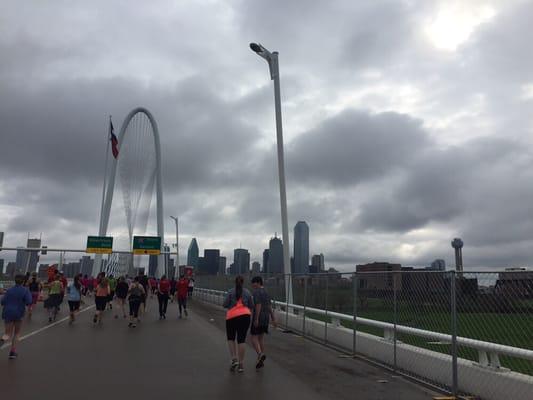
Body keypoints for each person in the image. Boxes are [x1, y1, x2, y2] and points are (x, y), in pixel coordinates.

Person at [223, 276, 253, 373]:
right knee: (241, 340)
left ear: (234, 282)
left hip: (232, 316)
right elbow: (251, 305)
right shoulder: (248, 292)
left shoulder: (230, 291)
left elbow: (225, 304)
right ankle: (241, 364)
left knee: (231, 338)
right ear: (243, 282)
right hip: (245, 316)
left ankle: (234, 359)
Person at [1, 275, 32, 359]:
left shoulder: (9, 290)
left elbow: (2, 301)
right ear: (23, 282)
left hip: (7, 312)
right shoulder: (25, 290)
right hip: (18, 313)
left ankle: (2, 340)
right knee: (17, 333)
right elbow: (29, 301)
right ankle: (12, 352)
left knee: (7, 334)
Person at [250, 276, 277, 369]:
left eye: (253, 283)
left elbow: (258, 305)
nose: (252, 285)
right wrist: (273, 318)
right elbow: (269, 306)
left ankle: (260, 354)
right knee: (260, 339)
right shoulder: (266, 292)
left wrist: (256, 318)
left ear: (258, 282)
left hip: (259, 318)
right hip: (266, 318)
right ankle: (260, 361)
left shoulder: (256, 292)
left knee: (253, 338)